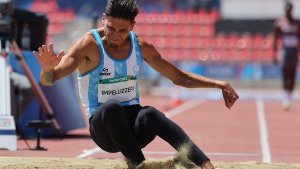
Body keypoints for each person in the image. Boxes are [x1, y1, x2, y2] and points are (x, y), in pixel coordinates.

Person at [33, 0, 238, 168]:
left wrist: (220, 84)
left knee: (150, 113)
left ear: (132, 27)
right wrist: (48, 69)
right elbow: (50, 80)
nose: (115, 35)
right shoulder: (89, 45)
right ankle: (139, 165)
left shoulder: (141, 47)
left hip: (134, 129)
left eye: (122, 31)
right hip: (104, 129)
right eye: (110, 27)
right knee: (111, 107)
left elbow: (179, 77)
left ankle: (205, 164)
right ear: (103, 19)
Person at [273, 0, 299, 111]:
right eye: (287, 8)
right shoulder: (280, 23)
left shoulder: (297, 23)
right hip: (284, 51)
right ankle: (285, 98)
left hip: (294, 51)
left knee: (292, 75)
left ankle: (290, 97)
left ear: (292, 9)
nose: (288, 11)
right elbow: (275, 39)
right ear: (285, 10)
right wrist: (274, 54)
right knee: (285, 74)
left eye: (290, 8)